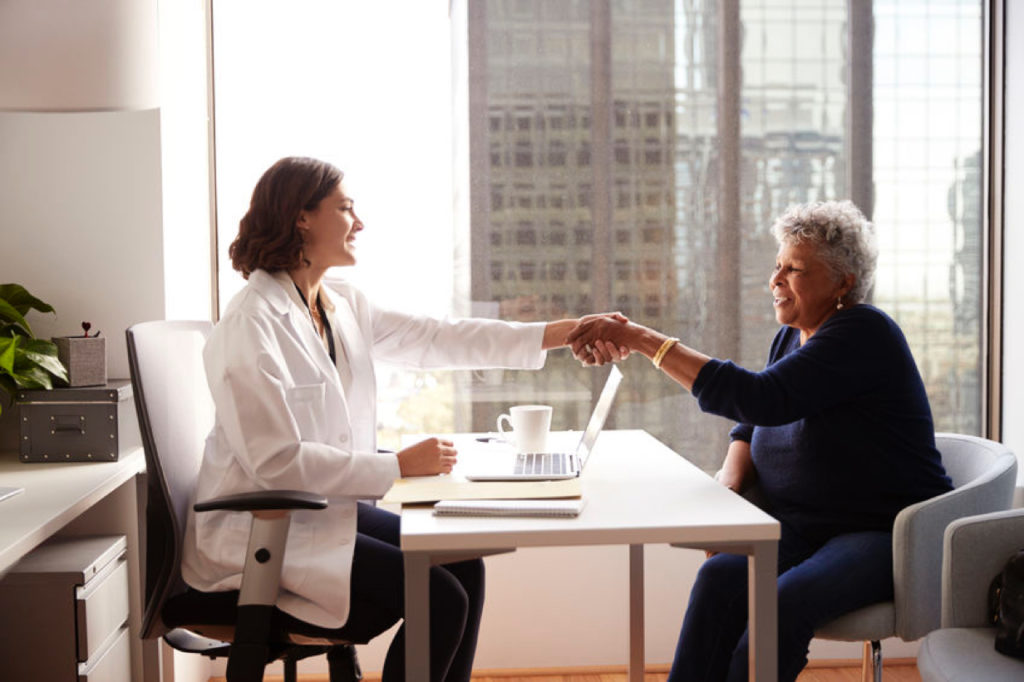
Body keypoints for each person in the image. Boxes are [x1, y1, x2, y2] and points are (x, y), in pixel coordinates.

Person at [181, 156, 582, 682]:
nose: (359, 222)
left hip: (319, 508)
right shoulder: (250, 324)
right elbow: (275, 464)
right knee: (439, 596)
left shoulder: (339, 304)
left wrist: (560, 333)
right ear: (301, 218)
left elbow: (437, 337)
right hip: (262, 529)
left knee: (462, 561)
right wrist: (395, 467)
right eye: (345, 208)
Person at [566, 200, 953, 682]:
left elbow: (759, 399)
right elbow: (751, 426)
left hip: (882, 532)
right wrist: (730, 489)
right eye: (777, 265)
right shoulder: (793, 337)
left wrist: (645, 340)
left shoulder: (863, 333)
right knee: (718, 578)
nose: (776, 280)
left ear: (842, 283)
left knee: (781, 605)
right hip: (800, 526)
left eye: (794, 269)